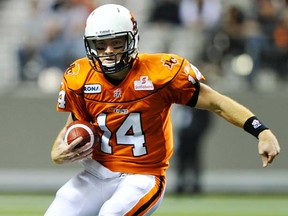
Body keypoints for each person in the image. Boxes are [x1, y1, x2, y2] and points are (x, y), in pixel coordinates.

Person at [45, 4, 280, 216]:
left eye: (117, 43)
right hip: (96, 173)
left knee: (112, 214)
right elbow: (75, 122)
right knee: (60, 207)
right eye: (100, 44)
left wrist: (262, 131)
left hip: (142, 177)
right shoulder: (80, 76)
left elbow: (217, 103)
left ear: (132, 40)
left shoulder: (160, 73)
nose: (108, 51)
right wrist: (58, 150)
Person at [175, 108, 212, 194]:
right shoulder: (182, 105)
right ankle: (181, 183)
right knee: (182, 159)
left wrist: (194, 133)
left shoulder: (201, 106)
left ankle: (196, 183)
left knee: (193, 159)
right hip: (183, 136)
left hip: (194, 137)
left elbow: (205, 122)